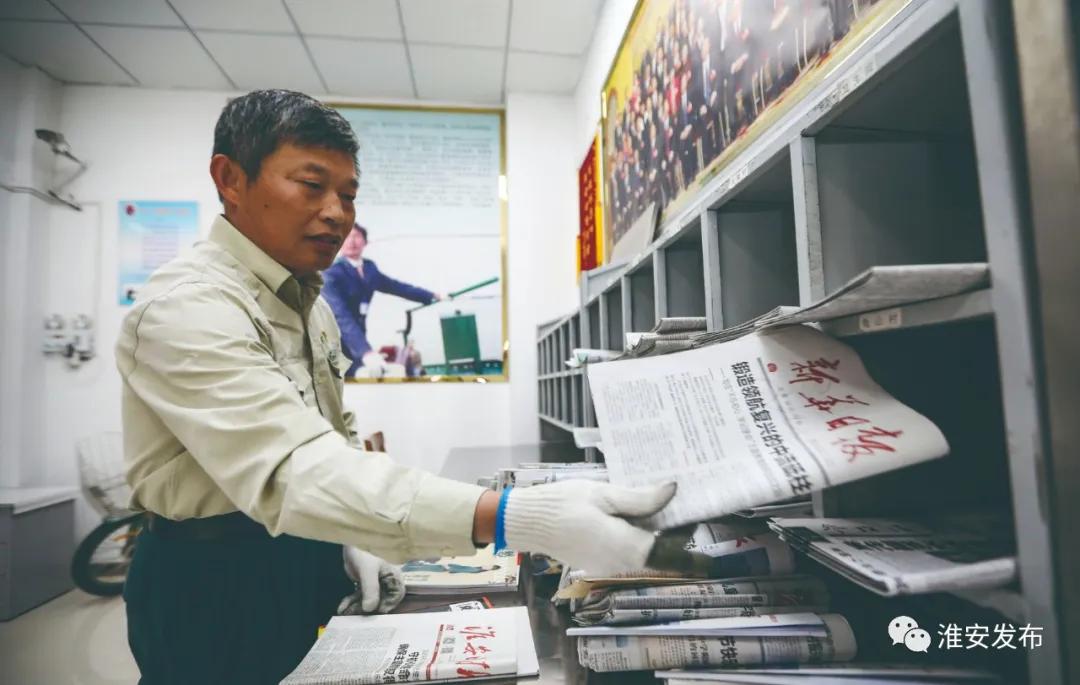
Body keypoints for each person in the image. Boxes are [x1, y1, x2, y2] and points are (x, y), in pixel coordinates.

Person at [115, 89, 676, 685]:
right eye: (312, 185)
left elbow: (333, 436)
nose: (337, 212)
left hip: (306, 552)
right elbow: (292, 470)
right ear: (230, 178)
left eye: (349, 194)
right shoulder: (189, 306)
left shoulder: (311, 303)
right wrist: (516, 516)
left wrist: (350, 538)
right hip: (213, 581)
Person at [322, 225, 442, 377]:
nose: (352, 241)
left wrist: (431, 295)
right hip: (333, 341)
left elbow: (396, 286)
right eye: (347, 237)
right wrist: (365, 352)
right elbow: (341, 316)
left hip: (358, 339)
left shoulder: (369, 268)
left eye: (357, 236)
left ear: (365, 242)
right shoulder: (331, 272)